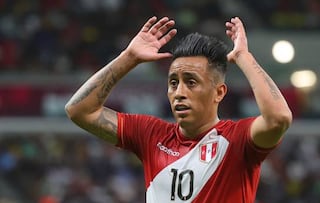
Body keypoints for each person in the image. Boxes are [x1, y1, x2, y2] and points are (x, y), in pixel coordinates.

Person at [65, 16, 292, 203]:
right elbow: (80, 110)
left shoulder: (238, 140)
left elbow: (278, 118)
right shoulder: (151, 135)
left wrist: (244, 57)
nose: (179, 92)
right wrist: (129, 58)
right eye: (173, 83)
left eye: (191, 82)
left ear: (219, 92)